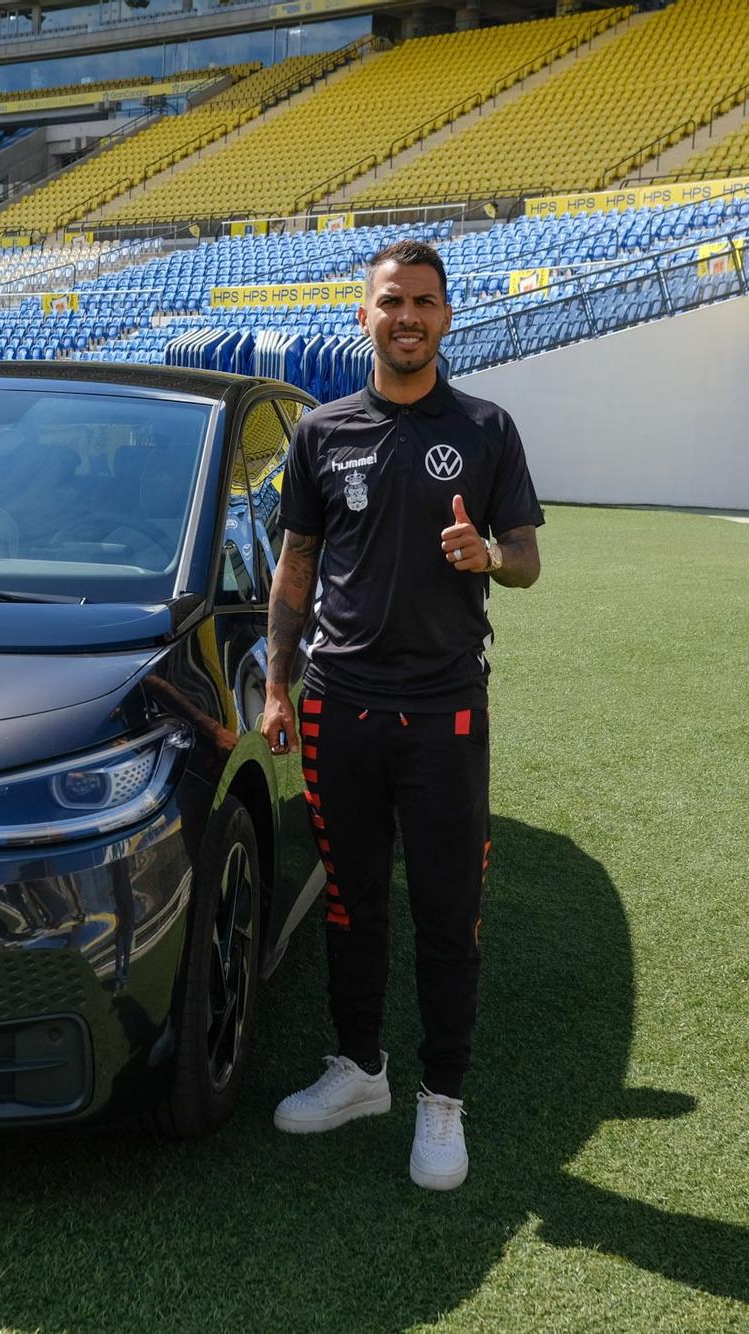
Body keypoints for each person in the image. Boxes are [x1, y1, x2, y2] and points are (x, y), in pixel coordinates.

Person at [260, 238, 543, 1191]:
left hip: (443, 714)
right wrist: (275, 685)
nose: (408, 317)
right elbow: (296, 566)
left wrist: (487, 558)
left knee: (448, 912)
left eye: (424, 302)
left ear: (446, 317)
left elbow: (528, 558)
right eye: (391, 302)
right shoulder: (323, 432)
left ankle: (443, 1102)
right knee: (351, 903)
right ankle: (361, 1071)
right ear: (364, 316)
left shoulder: (488, 426)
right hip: (340, 707)